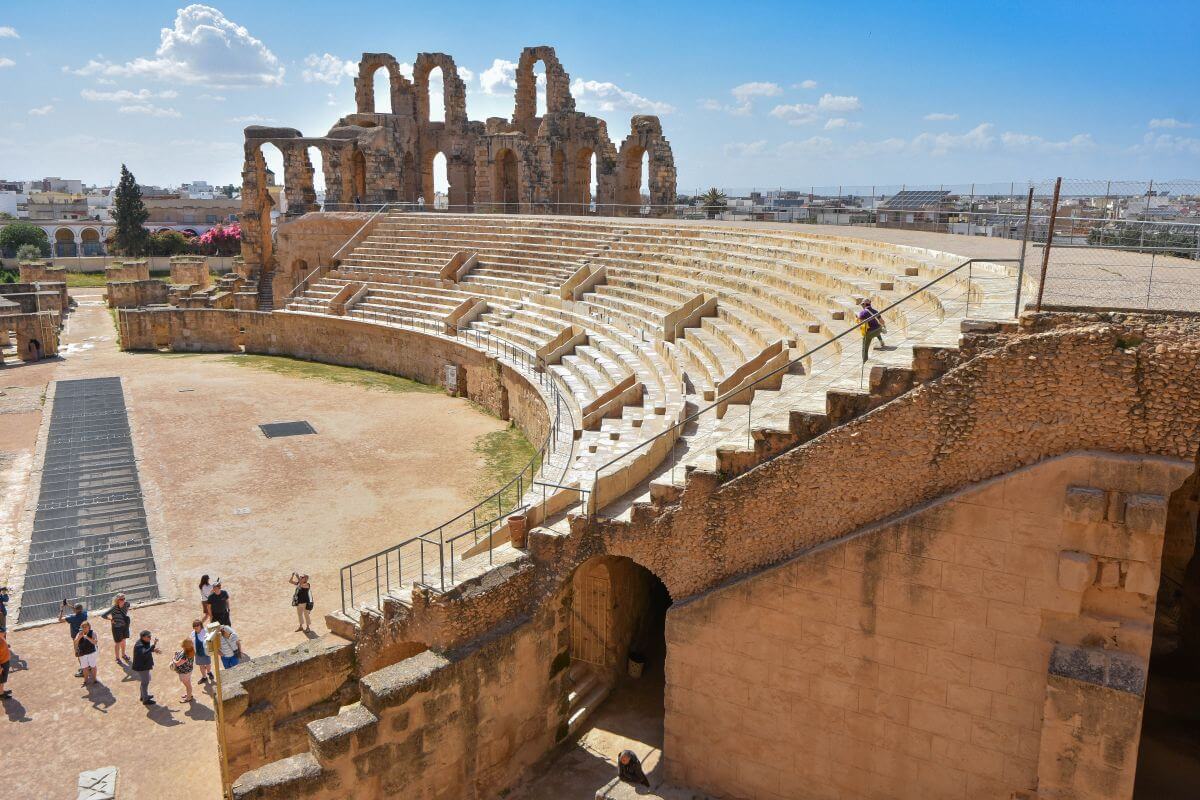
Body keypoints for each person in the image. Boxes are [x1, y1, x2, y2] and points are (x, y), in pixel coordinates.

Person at [58, 600, 89, 677]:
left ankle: (83, 670)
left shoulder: (72, 618)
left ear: (75, 610)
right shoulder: (85, 614)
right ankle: (88, 667)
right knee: (85, 652)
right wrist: (68, 605)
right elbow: (78, 610)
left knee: (79, 654)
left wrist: (62, 609)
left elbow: (60, 620)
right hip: (85, 636)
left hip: (76, 638)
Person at [100, 594, 132, 665]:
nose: (123, 600)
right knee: (118, 642)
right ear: (117, 600)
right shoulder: (114, 608)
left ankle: (123, 654)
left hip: (124, 626)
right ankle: (117, 658)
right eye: (121, 599)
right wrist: (111, 619)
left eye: (124, 598)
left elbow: (127, 608)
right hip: (116, 627)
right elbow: (103, 615)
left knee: (123, 640)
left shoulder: (127, 604)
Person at [131, 630, 160, 705]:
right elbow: (145, 652)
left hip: (144, 665)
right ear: (143, 637)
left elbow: (147, 650)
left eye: (150, 636)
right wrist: (154, 644)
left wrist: (153, 650)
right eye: (149, 637)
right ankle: (145, 700)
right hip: (142, 667)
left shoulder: (145, 642)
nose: (150, 638)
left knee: (144, 682)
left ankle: (143, 696)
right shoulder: (139, 645)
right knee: (145, 683)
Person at [857, 297, 887, 362]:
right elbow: (882, 322)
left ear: (864, 304)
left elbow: (860, 324)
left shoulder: (862, 313)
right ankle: (881, 340)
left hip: (870, 333)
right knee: (877, 327)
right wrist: (884, 327)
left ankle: (864, 361)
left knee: (864, 349)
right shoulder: (875, 311)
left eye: (862, 304)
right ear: (870, 304)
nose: (862, 306)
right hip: (878, 330)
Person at [74, 621, 100, 686]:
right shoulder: (79, 634)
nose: (84, 628)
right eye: (83, 627)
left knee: (93, 666)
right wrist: (79, 638)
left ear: (89, 627)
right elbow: (75, 642)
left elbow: (95, 642)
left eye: (86, 627)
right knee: (84, 668)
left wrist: (87, 637)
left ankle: (94, 679)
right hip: (83, 654)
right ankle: (85, 681)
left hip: (91, 653)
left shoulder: (93, 633)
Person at [191, 619, 214, 687]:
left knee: (208, 664)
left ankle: (209, 672)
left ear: (201, 626)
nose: (195, 627)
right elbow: (192, 643)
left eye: (197, 626)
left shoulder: (206, 632)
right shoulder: (192, 633)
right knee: (201, 666)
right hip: (197, 653)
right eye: (194, 626)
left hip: (205, 652)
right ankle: (204, 677)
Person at [171, 638, 195, 703]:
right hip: (188, 671)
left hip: (184, 673)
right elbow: (181, 653)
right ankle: (189, 694)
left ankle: (188, 698)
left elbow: (177, 663)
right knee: (188, 684)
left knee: (188, 685)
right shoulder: (190, 650)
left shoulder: (185, 655)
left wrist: (173, 659)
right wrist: (177, 654)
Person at [0, 629, 11, 700]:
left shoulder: (1, 637)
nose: (5, 632)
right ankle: (1, 695)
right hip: (2, 664)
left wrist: (7, 646)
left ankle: (1, 691)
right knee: (1, 680)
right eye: (4, 631)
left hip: (5, 661)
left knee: (2, 680)